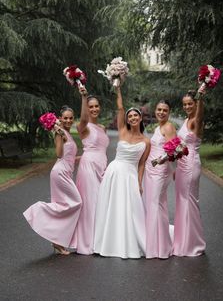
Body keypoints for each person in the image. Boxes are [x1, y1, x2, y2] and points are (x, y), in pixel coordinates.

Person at [94, 86, 150, 259]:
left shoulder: (146, 142)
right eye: (130, 116)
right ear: (127, 119)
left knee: (130, 210)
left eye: (135, 115)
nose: (132, 117)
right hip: (114, 172)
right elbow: (120, 108)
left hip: (130, 176)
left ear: (140, 118)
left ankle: (127, 242)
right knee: (111, 207)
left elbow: (141, 165)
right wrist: (118, 88)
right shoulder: (123, 131)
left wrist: (140, 183)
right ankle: (107, 242)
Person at [23, 106, 82, 255]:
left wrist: (84, 157)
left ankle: (57, 242)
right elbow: (59, 154)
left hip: (65, 173)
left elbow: (69, 158)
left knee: (63, 205)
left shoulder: (67, 132)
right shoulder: (60, 133)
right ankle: (38, 210)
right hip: (60, 172)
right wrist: (60, 135)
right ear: (60, 119)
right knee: (76, 202)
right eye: (65, 118)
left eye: (70, 117)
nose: (68, 120)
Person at [75, 89, 109, 255]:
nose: (94, 109)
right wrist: (83, 97)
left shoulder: (102, 127)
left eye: (96, 106)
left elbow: (100, 148)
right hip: (88, 169)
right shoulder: (83, 126)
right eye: (91, 107)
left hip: (102, 167)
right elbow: (82, 118)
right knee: (91, 203)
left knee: (102, 202)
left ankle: (101, 240)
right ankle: (89, 242)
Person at [173, 90, 206, 256]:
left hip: (191, 163)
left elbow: (200, 115)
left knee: (189, 201)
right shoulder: (186, 120)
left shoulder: (196, 121)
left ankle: (193, 243)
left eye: (190, 103)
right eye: (185, 104)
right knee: (181, 200)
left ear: (195, 104)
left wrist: (201, 95)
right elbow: (180, 145)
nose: (187, 106)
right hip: (181, 164)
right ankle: (183, 239)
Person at [143, 100, 176, 259]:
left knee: (155, 204)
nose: (161, 112)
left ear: (169, 112)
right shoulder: (157, 127)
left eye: (165, 110)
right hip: (150, 169)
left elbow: (173, 151)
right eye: (159, 109)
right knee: (158, 205)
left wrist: (161, 161)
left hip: (160, 170)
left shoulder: (169, 127)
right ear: (155, 110)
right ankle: (162, 243)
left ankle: (156, 248)